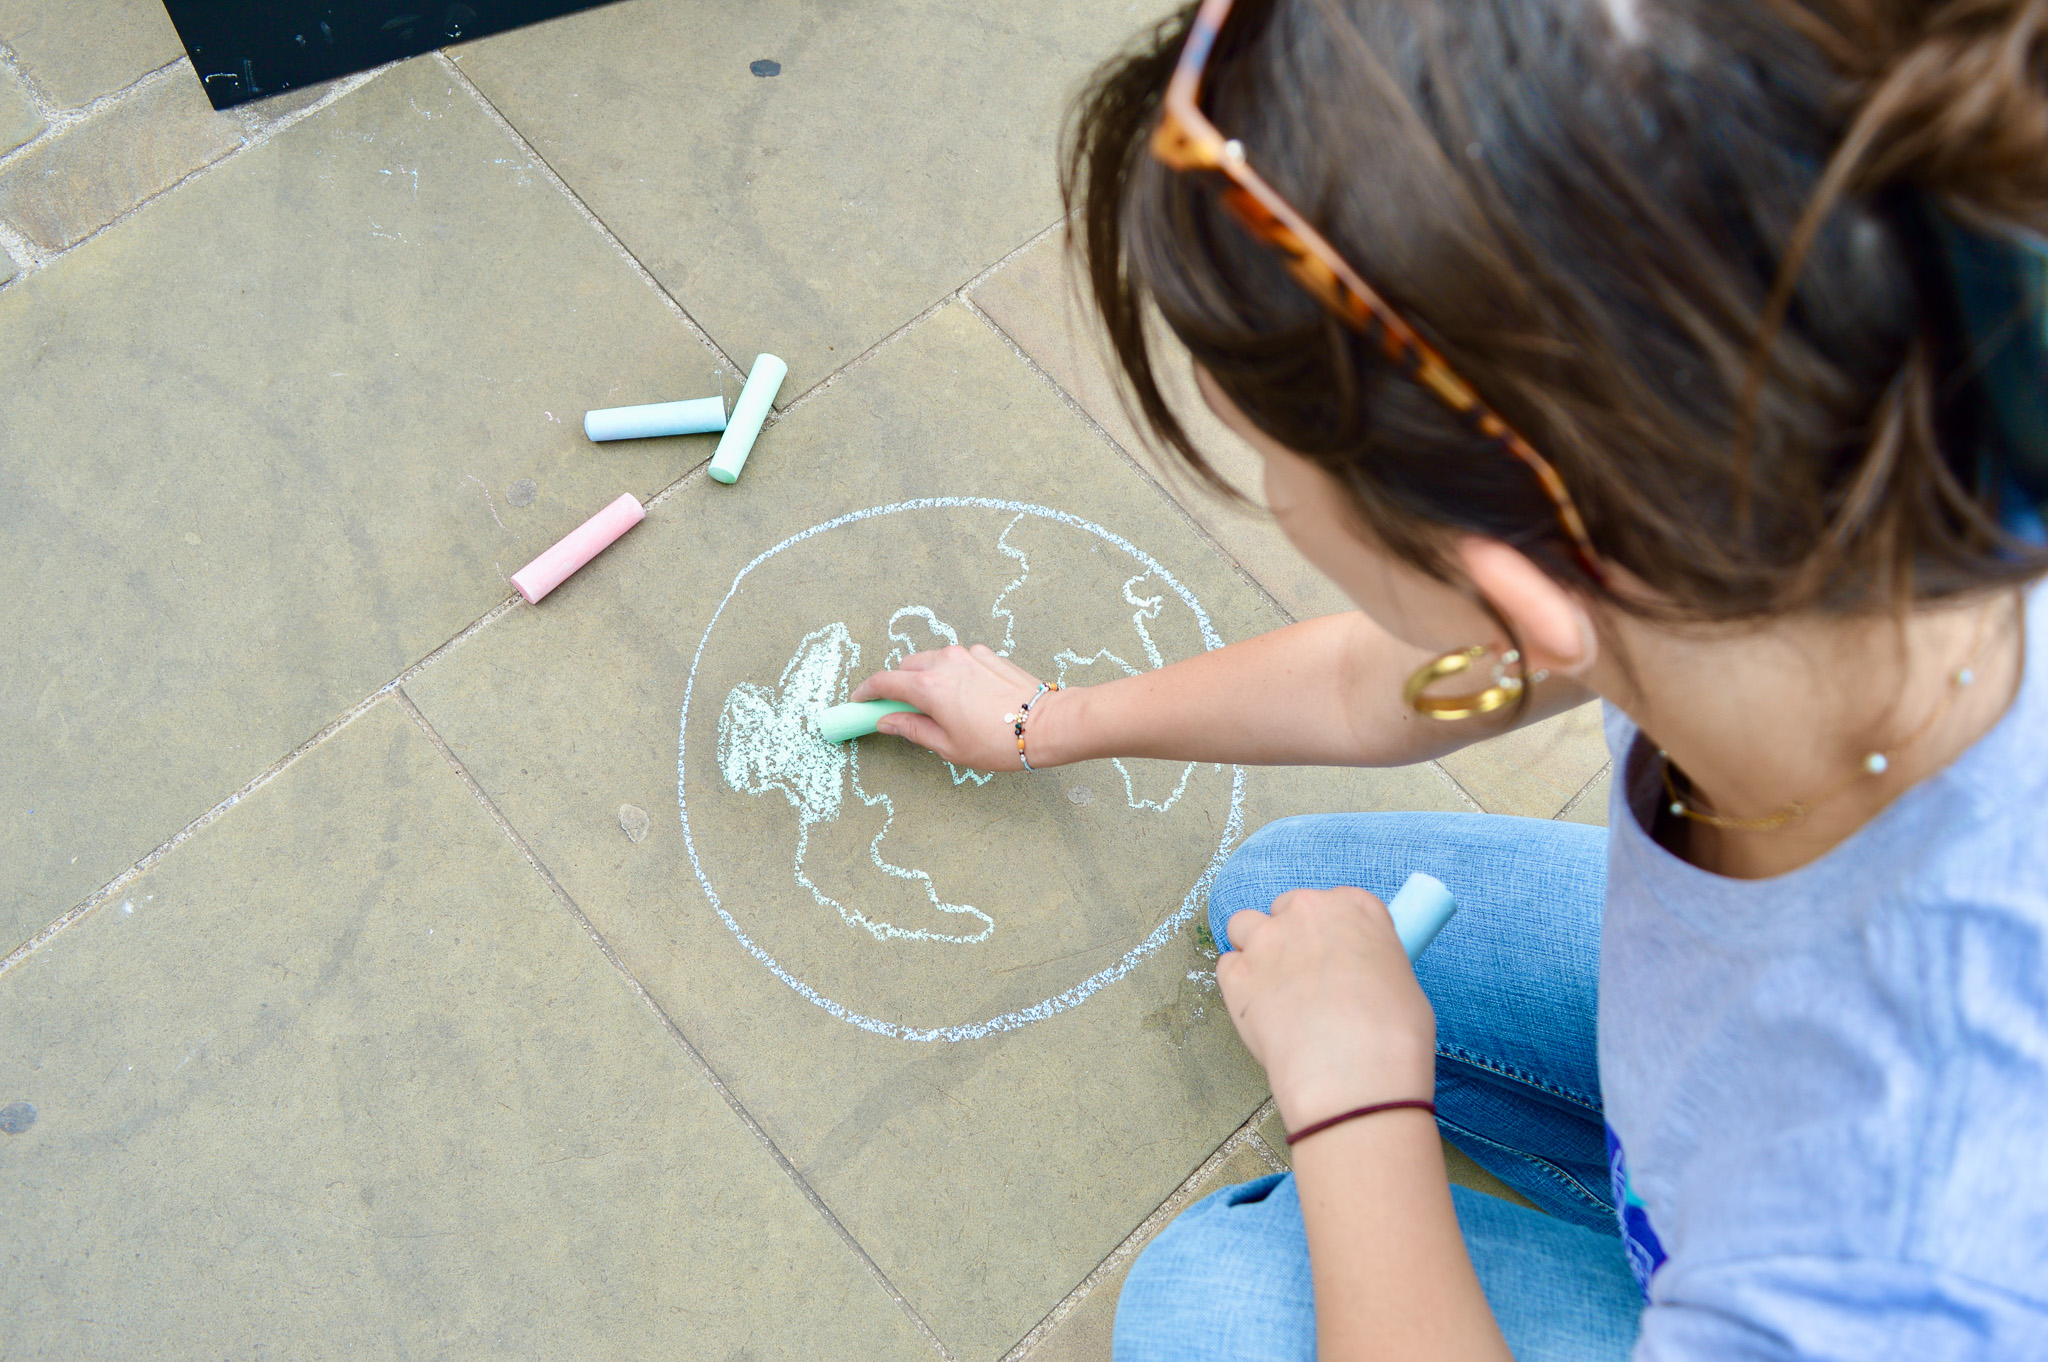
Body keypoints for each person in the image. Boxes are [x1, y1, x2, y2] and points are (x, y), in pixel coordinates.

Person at [852, 0, 2048, 1355]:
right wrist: (1044, 721)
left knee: (1209, 1298)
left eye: (1276, 470)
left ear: (1518, 593)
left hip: (1817, 1224)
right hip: (1737, 1085)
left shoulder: (1926, 1245)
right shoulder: (1789, 486)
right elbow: (1393, 679)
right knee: (1281, 897)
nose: (1274, 491)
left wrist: (1357, 1098)